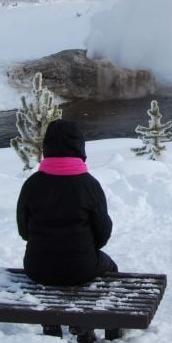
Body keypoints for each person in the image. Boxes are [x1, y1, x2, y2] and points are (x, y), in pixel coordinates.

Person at [16, 119, 118, 286]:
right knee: (109, 265)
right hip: (81, 269)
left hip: (37, 269)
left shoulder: (32, 184)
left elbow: (24, 231)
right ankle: (105, 304)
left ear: (46, 146)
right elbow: (102, 233)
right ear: (79, 146)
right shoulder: (89, 185)